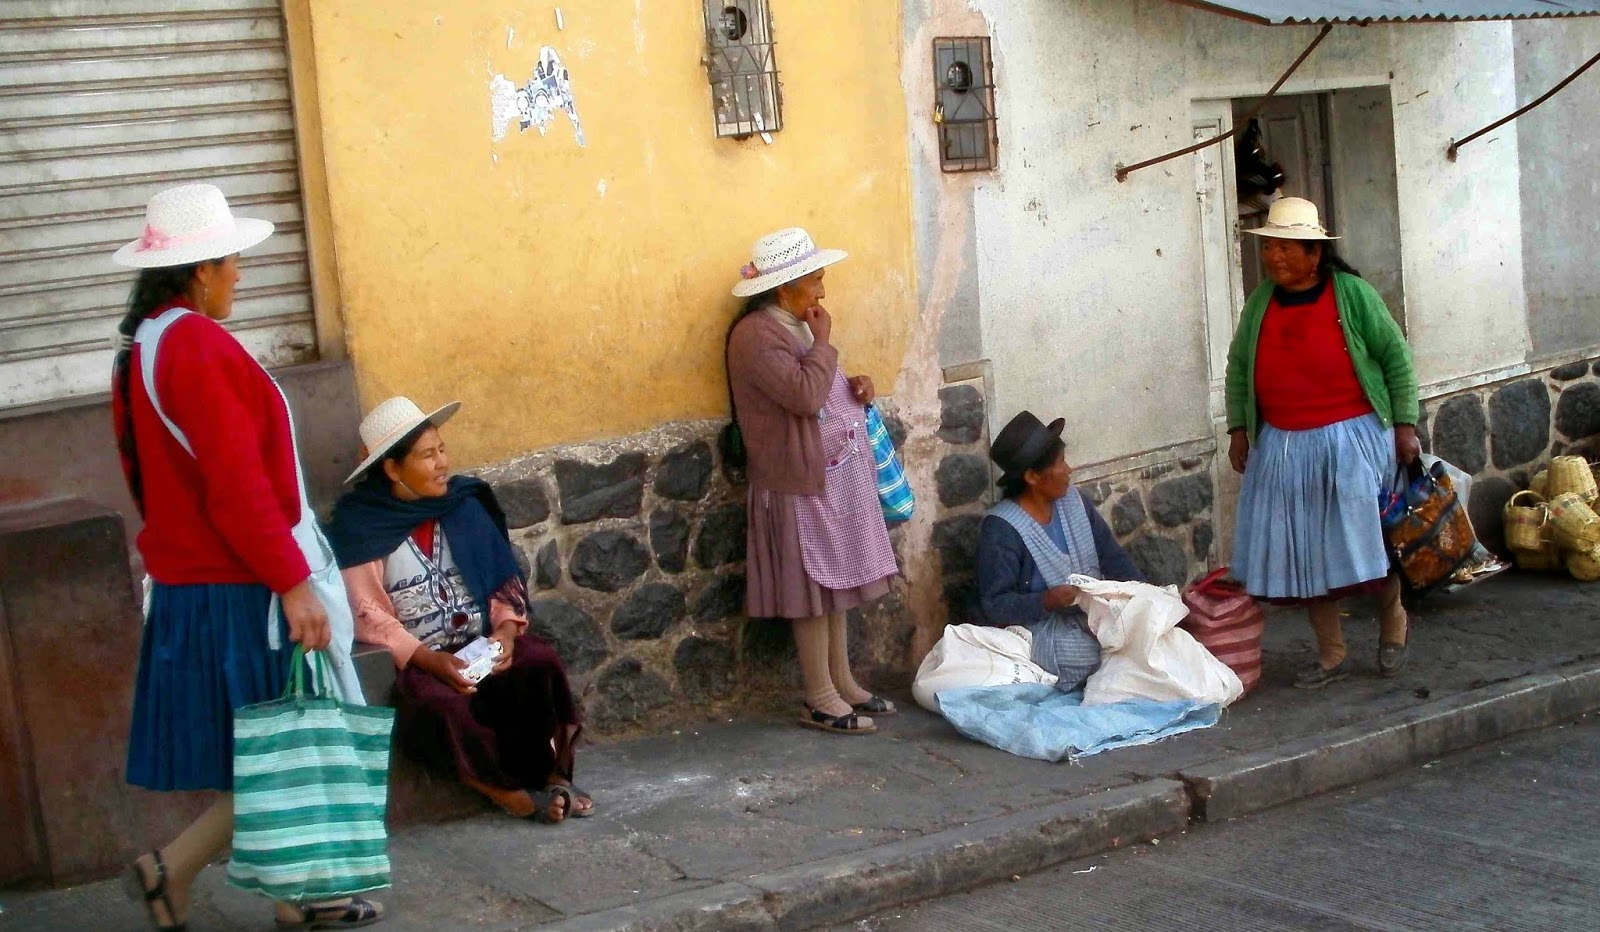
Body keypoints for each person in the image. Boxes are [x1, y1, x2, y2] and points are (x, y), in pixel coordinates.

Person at [111, 184, 383, 930]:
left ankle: (299, 896)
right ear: (200, 270)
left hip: (199, 582)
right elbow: (236, 486)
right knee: (287, 740)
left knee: (273, 742)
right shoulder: (196, 347)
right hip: (238, 584)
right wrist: (291, 582)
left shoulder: (148, 345)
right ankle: (172, 869)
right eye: (231, 259)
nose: (239, 271)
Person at [324, 397, 590, 822]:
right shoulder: (359, 528)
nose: (442, 463)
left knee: (540, 663)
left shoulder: (463, 505)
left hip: (481, 644)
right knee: (438, 707)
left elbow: (502, 577)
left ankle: (555, 774)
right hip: (425, 658)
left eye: (442, 449)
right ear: (392, 468)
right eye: (427, 455)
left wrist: (504, 634)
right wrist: (429, 660)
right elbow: (367, 612)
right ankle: (506, 794)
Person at [1225, 197, 1420, 689]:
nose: (1273, 257)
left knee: (1367, 542)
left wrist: (1404, 425)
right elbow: (1239, 367)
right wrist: (1239, 429)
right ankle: (1332, 652)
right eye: (1269, 246)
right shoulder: (1261, 303)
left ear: (1315, 254)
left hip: (1351, 440)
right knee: (1306, 553)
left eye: (1286, 248)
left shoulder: (1352, 295)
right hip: (1284, 445)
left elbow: (1395, 357)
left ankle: (1393, 618)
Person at [725, 227, 899, 735]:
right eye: (815, 280)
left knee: (835, 582)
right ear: (785, 287)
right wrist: (823, 343)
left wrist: (853, 386)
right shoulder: (756, 336)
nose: (822, 291)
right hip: (792, 479)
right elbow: (802, 395)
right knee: (811, 590)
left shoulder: (791, 326)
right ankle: (819, 696)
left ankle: (842, 683)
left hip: (825, 476)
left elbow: (820, 387)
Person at [976, 411, 1146, 691]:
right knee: (1095, 655)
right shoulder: (1001, 528)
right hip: (1042, 630)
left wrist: (1146, 598)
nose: (1069, 470)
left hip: (1092, 619)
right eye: (1060, 463)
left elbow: (1113, 558)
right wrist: (1045, 601)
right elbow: (994, 606)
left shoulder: (1075, 503)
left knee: (1145, 634)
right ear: (1032, 476)